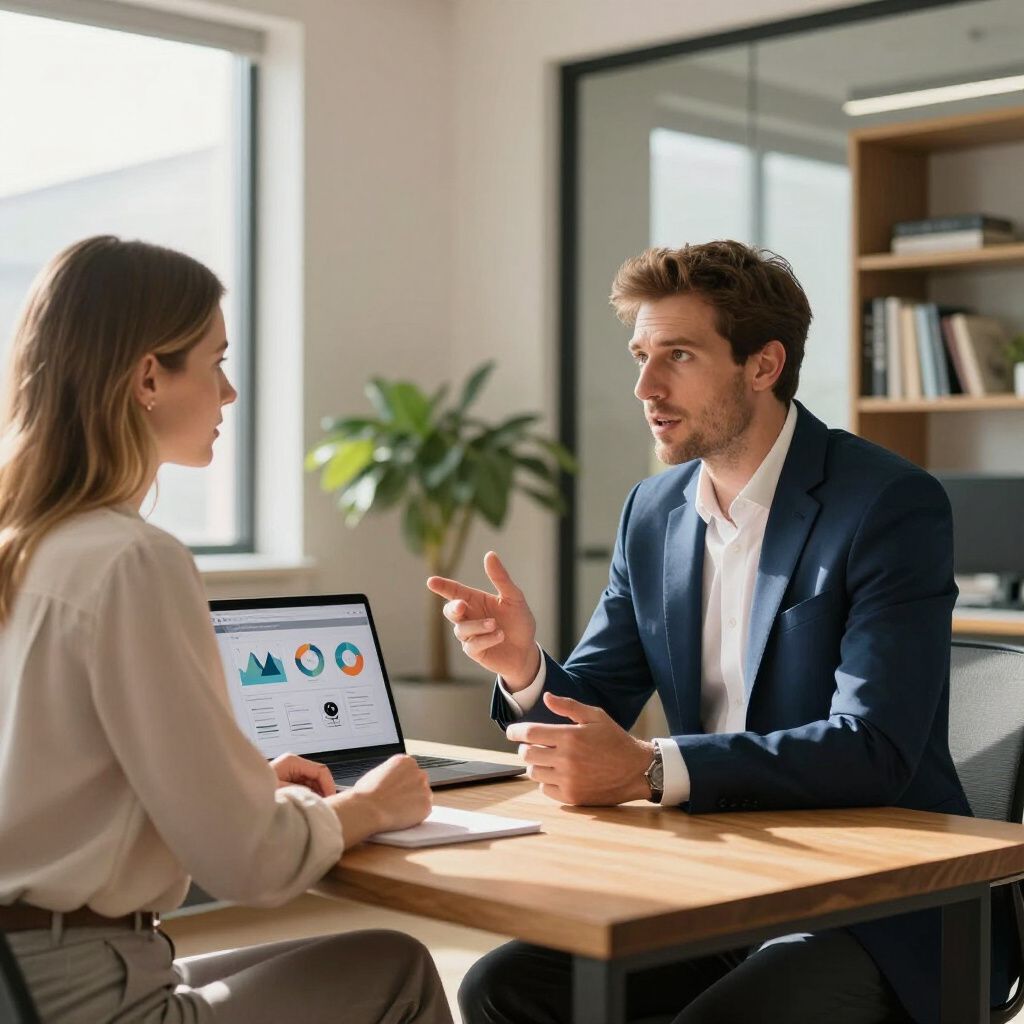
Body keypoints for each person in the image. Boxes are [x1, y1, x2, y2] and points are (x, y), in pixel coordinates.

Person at [427, 240, 1013, 1024]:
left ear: (763, 365)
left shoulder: (885, 505)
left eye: (678, 356)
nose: (645, 386)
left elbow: (872, 745)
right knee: (503, 987)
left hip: (876, 905)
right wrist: (525, 666)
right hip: (719, 880)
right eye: (641, 355)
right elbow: (593, 705)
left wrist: (647, 770)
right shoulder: (654, 511)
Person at [0, 236, 453, 1024]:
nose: (230, 392)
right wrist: (372, 805)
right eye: (215, 362)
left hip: (29, 978)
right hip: (82, 996)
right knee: (397, 967)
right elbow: (251, 863)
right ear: (148, 377)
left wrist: (241, 784)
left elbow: (57, 789)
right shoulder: (131, 562)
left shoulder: (24, 548)